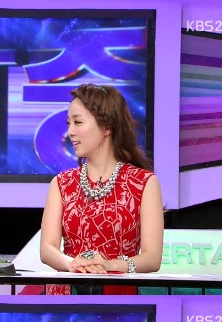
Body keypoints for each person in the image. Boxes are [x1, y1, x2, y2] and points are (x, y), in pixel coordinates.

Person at [40, 84, 164, 275]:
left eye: (78, 122)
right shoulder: (62, 183)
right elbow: (47, 248)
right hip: (69, 289)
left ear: (106, 127)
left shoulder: (144, 183)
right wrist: (73, 264)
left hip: (119, 290)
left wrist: (110, 265)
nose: (70, 131)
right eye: (68, 123)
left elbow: (152, 258)